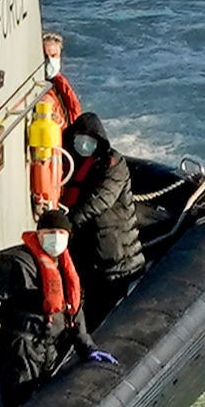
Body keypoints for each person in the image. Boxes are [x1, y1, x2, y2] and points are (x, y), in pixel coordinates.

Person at [0, 208, 118, 407]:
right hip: (22, 349)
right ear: (39, 234)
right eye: (50, 233)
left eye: (61, 234)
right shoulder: (15, 263)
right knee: (20, 405)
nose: (56, 239)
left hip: (51, 347)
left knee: (44, 403)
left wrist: (87, 347)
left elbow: (72, 310)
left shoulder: (64, 266)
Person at [60, 112, 146, 319]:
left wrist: (69, 223)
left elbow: (99, 201)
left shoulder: (114, 165)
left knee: (110, 311)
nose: (83, 144)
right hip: (90, 258)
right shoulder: (74, 164)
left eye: (89, 140)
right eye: (79, 139)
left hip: (118, 259)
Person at [41, 30, 83, 129]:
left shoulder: (58, 85)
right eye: (46, 57)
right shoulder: (44, 96)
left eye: (54, 56)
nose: (50, 61)